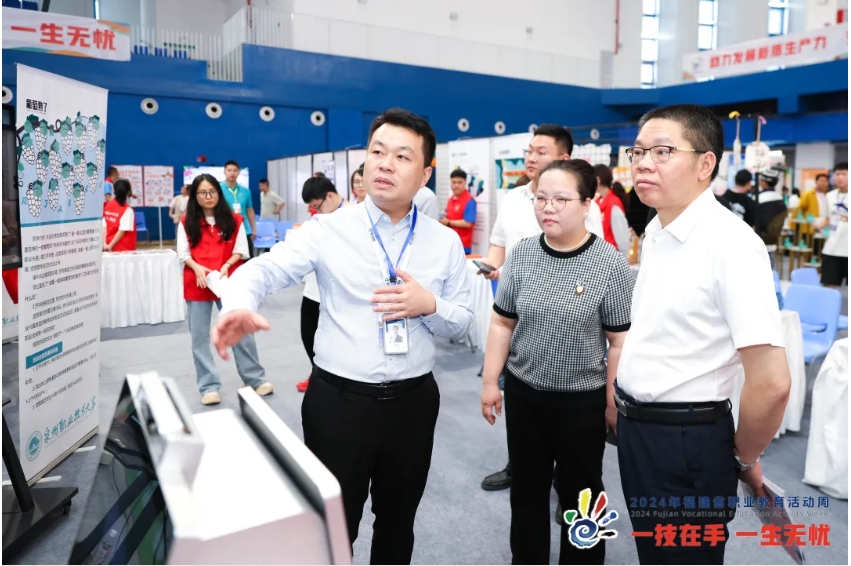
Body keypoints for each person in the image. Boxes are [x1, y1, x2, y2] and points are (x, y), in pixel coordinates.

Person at [213, 108, 473, 564]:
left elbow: (464, 321)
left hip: (413, 405)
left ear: (425, 173)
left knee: (398, 522)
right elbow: (265, 270)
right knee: (331, 528)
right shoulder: (327, 229)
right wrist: (237, 303)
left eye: (402, 156)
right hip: (339, 404)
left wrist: (429, 304)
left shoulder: (444, 242)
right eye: (377, 152)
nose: (385, 164)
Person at [617, 104, 791, 565]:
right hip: (640, 432)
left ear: (705, 164)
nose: (643, 163)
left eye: (662, 151)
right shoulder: (657, 228)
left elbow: (772, 382)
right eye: (638, 152)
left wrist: (744, 458)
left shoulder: (731, 245)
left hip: (686, 440)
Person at [481, 159, 633, 565]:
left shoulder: (609, 264)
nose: (548, 207)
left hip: (581, 403)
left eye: (561, 199)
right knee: (526, 489)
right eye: (541, 198)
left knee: (582, 494)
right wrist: (490, 381)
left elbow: (618, 341)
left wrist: (611, 402)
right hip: (524, 395)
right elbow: (501, 322)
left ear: (586, 204)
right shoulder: (522, 254)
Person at [479, 123, 601, 492]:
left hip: (563, 317)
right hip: (516, 311)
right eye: (529, 150)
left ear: (564, 158)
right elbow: (499, 243)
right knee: (518, 394)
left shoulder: (582, 205)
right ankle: (519, 464)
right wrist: (493, 267)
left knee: (565, 414)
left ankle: (565, 478)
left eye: (541, 152)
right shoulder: (514, 198)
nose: (531, 157)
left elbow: (590, 258)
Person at [177, 174, 273, 405]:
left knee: (241, 329)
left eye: (212, 191)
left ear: (218, 193)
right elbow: (183, 254)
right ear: (195, 196)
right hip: (198, 282)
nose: (208, 196)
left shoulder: (234, 220)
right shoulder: (186, 221)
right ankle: (208, 387)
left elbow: (241, 251)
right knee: (199, 337)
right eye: (202, 193)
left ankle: (254, 379)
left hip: (228, 280)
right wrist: (198, 269)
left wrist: (227, 265)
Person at [295, 176, 352, 393]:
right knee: (308, 333)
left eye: (317, 206)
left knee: (338, 339)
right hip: (313, 287)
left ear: (329, 196)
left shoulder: (353, 215)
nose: (316, 211)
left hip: (340, 289)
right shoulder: (320, 218)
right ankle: (316, 373)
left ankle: (335, 381)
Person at [815, 162, 848, 287]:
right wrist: (820, 224)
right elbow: (827, 217)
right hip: (832, 248)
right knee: (828, 284)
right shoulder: (829, 196)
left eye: (844, 174)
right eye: (837, 174)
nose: (840, 177)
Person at [220, 160, 257, 257]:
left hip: (244, 230)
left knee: (248, 259)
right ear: (224, 172)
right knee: (227, 258)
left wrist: (254, 229)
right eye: (229, 170)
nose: (232, 173)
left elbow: (249, 210)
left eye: (235, 170)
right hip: (225, 229)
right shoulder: (218, 189)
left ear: (239, 172)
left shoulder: (245, 191)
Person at [594, 164, 630, 254]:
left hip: (611, 256)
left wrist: (621, 260)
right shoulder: (597, 203)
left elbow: (622, 239)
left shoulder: (613, 204)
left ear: (598, 180)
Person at [755, 169, 787, 269]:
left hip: (758, 242)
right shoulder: (781, 201)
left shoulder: (758, 199)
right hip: (772, 243)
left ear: (764, 183)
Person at [440, 169, 477, 254]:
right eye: (454, 182)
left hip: (463, 246)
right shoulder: (450, 199)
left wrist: (448, 222)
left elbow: (468, 223)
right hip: (449, 244)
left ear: (465, 183)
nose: (456, 185)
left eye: (460, 182)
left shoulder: (470, 201)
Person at [102, 179, 137, 252]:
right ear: (128, 192)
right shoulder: (127, 209)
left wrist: (105, 244)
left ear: (114, 191)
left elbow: (104, 227)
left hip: (109, 248)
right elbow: (121, 231)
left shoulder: (107, 206)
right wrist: (110, 246)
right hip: (124, 250)